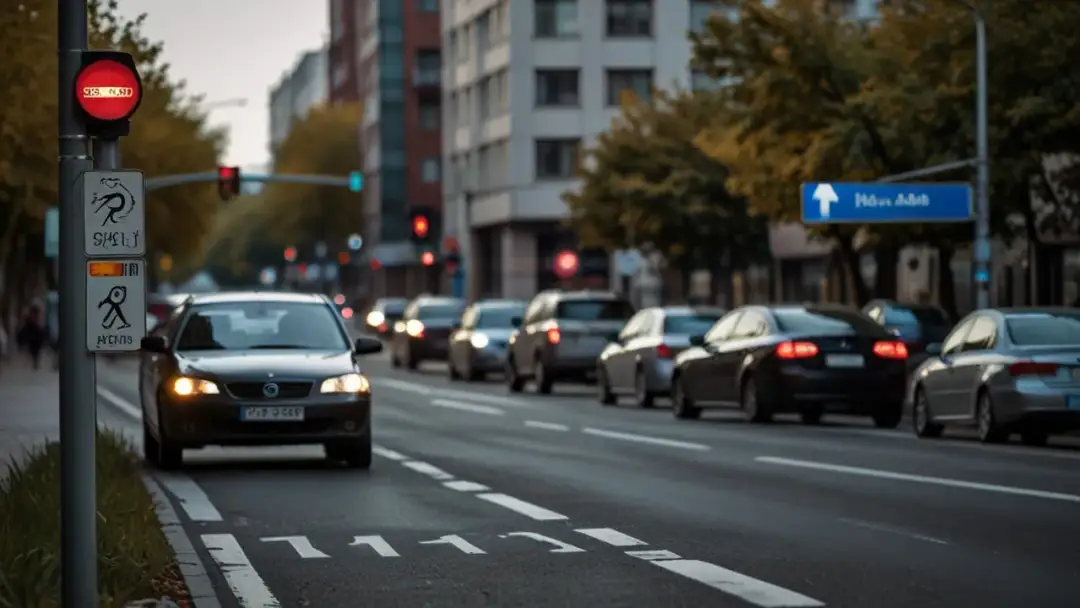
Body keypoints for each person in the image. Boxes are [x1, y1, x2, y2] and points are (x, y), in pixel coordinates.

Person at [17, 303, 48, 369]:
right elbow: (20, 337)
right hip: (29, 350)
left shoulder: (40, 329)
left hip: (35, 345)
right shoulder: (28, 327)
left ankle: (35, 361)